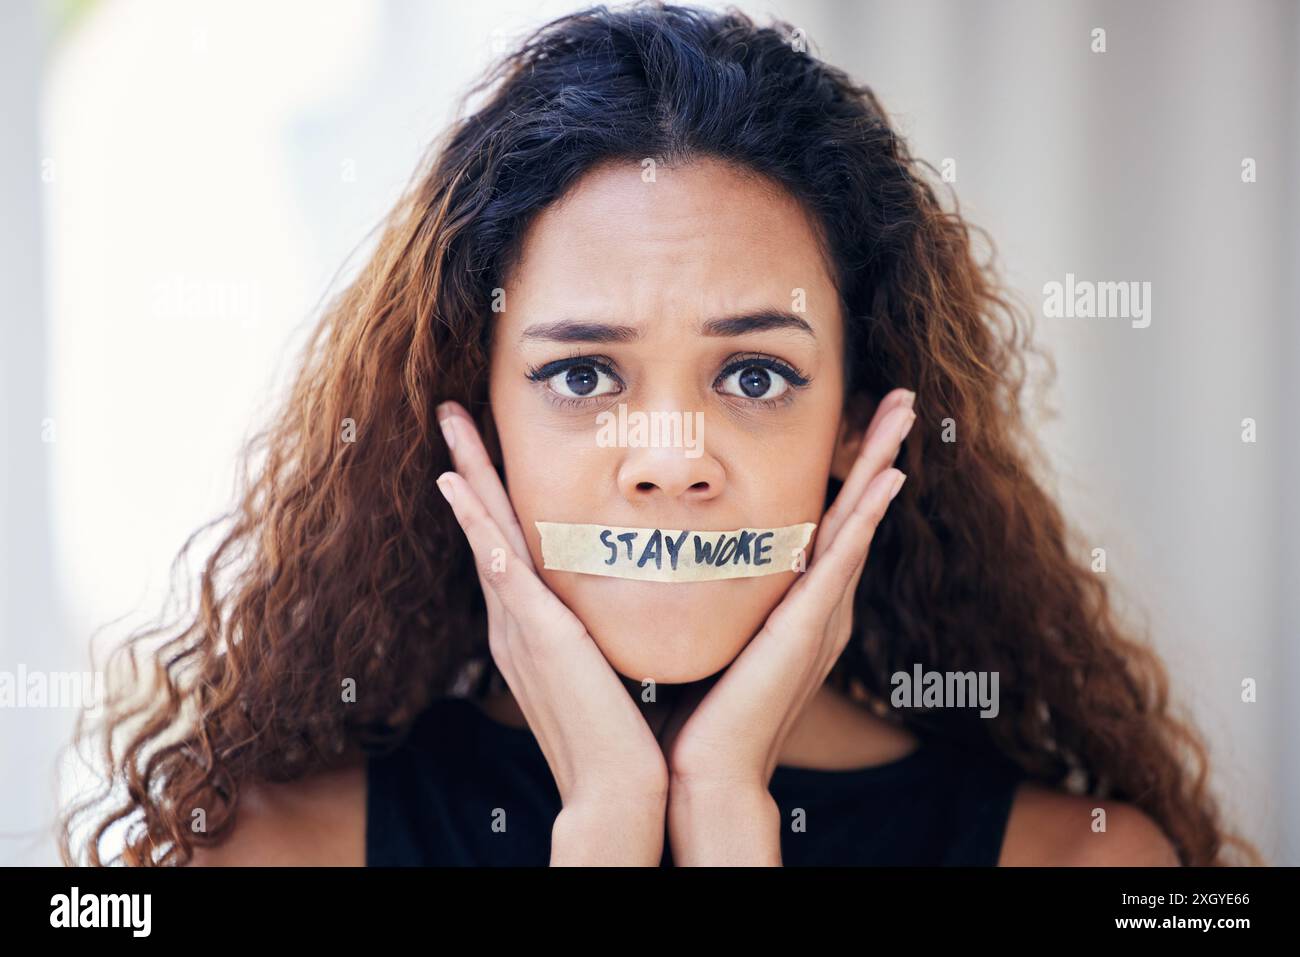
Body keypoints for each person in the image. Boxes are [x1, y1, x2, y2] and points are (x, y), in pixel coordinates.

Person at [58, 1, 1259, 867]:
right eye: (582, 372)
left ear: (857, 423)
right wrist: (607, 828)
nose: (672, 453)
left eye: (752, 373)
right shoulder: (278, 852)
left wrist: (727, 815)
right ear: (473, 419)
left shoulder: (1083, 862)